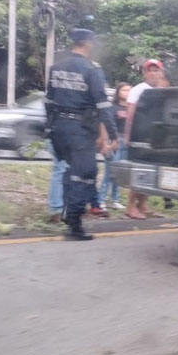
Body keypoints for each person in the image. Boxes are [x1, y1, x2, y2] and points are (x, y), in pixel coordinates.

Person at [44, 28, 119, 241]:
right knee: (85, 174)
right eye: (92, 42)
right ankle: (74, 226)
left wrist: (49, 129)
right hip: (80, 131)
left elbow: (48, 101)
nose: (94, 46)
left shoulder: (57, 68)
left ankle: (68, 212)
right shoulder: (90, 70)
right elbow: (103, 105)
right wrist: (112, 134)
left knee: (69, 172)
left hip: (59, 129)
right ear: (87, 43)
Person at [124, 59, 166, 220]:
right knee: (139, 171)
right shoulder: (138, 90)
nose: (153, 73)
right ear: (144, 73)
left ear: (162, 73)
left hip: (155, 136)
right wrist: (128, 135)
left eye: (156, 70)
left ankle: (143, 205)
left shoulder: (162, 91)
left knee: (150, 171)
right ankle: (130, 206)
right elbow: (130, 115)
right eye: (150, 70)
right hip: (139, 135)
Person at [98, 83, 131, 210]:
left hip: (127, 141)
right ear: (118, 92)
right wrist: (106, 143)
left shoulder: (131, 107)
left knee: (119, 173)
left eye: (129, 90)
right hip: (115, 140)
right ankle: (101, 200)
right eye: (124, 90)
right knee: (109, 172)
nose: (127, 92)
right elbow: (105, 124)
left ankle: (115, 200)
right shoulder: (113, 107)